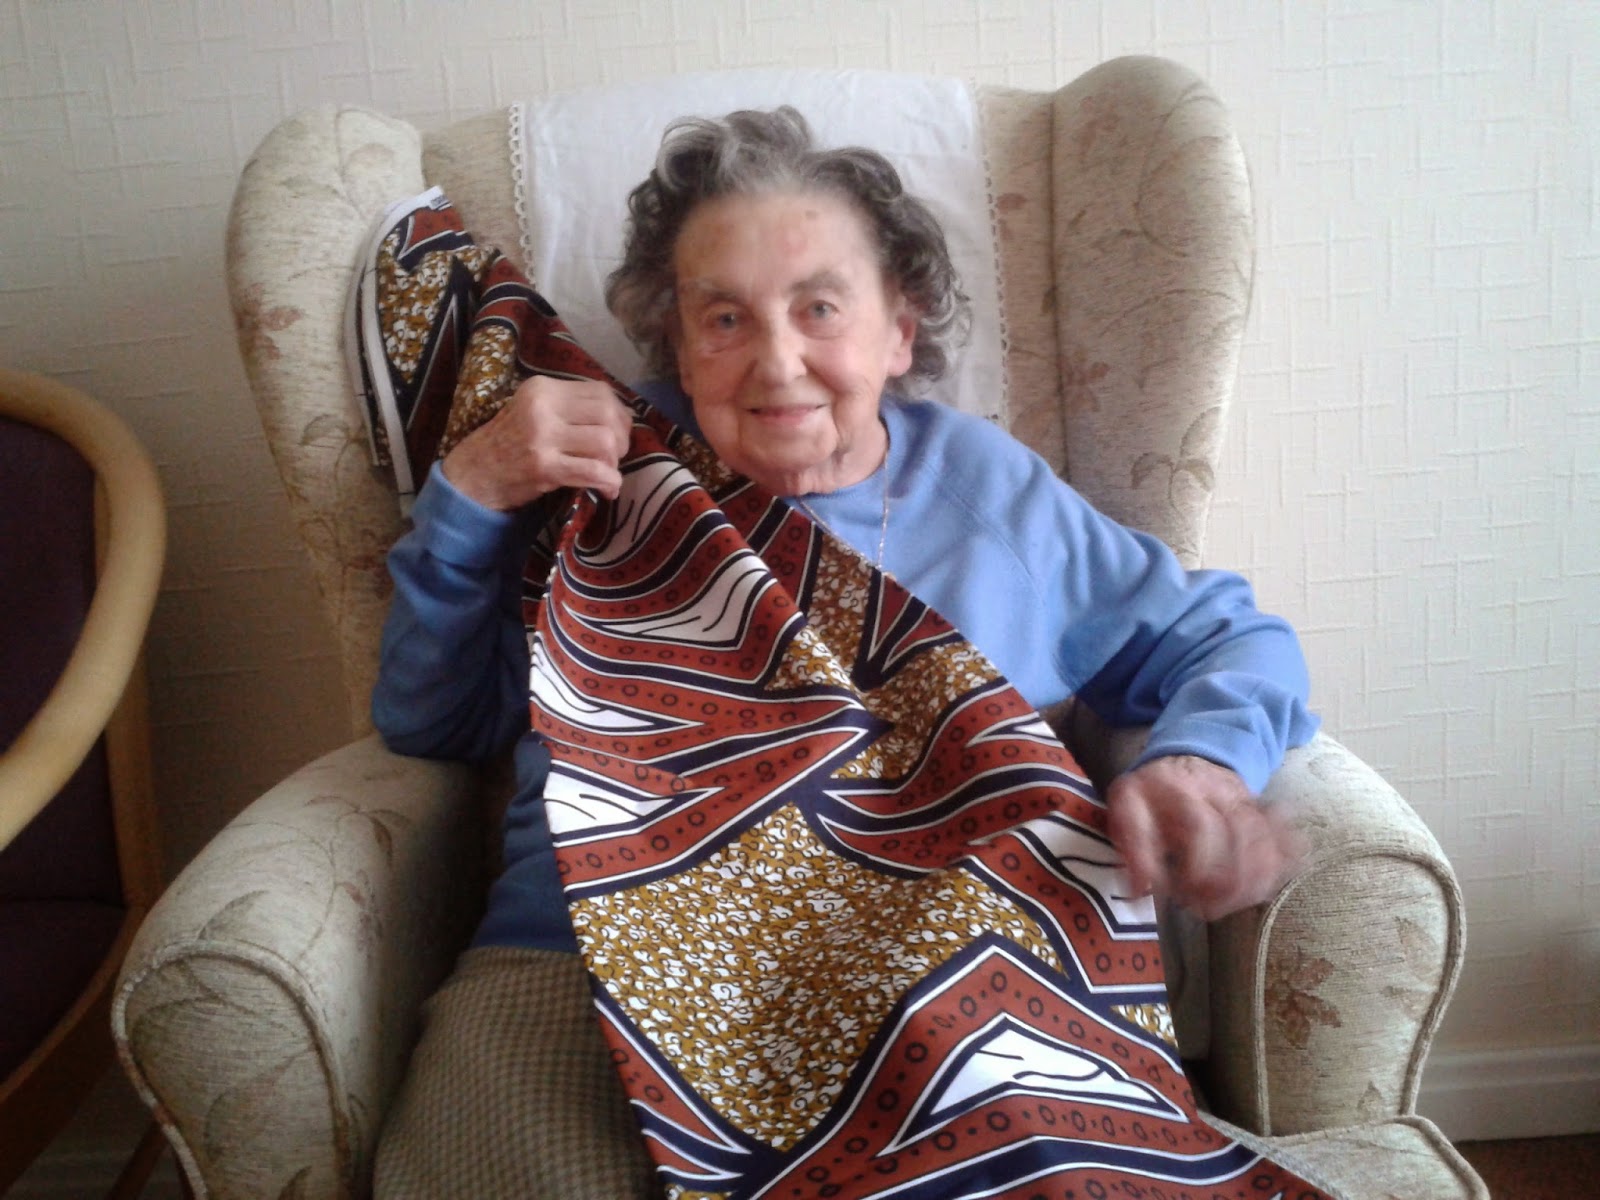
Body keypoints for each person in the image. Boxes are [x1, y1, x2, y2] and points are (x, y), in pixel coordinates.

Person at [370, 106, 1319, 1197]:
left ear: (897, 332)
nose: (777, 362)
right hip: (580, 965)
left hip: (941, 980)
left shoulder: (991, 492)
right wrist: (470, 495)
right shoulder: (606, 476)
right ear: (677, 341)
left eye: (819, 307)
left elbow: (1226, 637)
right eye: (724, 317)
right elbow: (438, 723)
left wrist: (1198, 763)